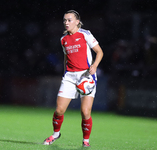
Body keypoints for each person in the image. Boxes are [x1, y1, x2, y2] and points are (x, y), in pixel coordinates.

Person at [43, 10, 103, 147]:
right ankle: (56, 134)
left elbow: (99, 52)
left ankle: (86, 141)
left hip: (86, 76)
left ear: (77, 22)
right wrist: (65, 74)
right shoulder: (63, 39)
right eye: (64, 20)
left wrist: (94, 66)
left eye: (69, 20)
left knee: (85, 112)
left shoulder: (85, 34)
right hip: (69, 76)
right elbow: (66, 58)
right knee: (59, 110)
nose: (66, 23)